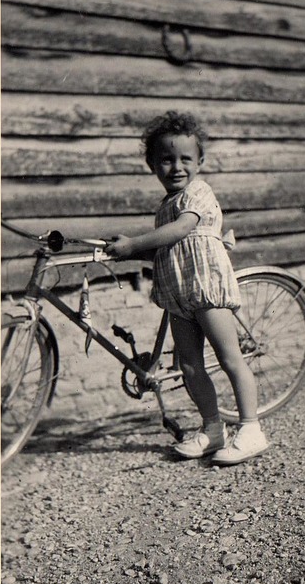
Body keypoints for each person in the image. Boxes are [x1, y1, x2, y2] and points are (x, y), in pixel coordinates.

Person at [105, 111, 266, 465]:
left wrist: (133, 244)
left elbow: (182, 230)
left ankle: (251, 429)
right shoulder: (163, 208)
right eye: (166, 160)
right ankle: (212, 430)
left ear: (200, 162)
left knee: (229, 359)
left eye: (185, 159)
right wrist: (126, 252)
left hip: (206, 287)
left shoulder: (198, 193)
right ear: (152, 165)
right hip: (178, 294)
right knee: (190, 366)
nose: (176, 167)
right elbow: (164, 244)